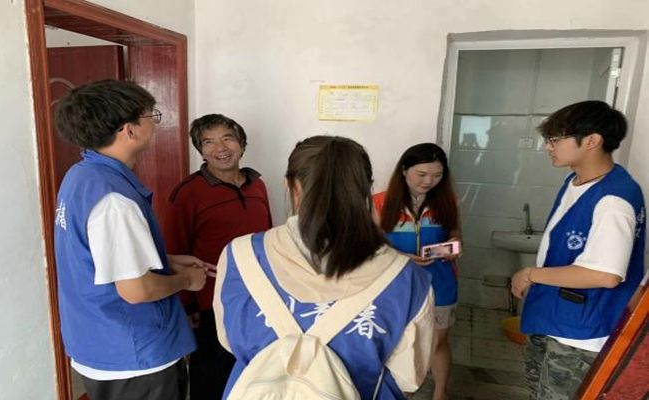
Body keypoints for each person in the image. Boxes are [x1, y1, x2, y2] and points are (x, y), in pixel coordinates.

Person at [213, 135, 434, 399]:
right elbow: (408, 377)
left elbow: (230, 340)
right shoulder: (408, 278)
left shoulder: (240, 255)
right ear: (367, 189)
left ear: (292, 186)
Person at [53, 79, 215, 400]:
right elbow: (136, 290)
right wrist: (187, 280)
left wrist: (165, 261)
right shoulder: (114, 200)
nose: (154, 124)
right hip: (133, 355)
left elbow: (96, 255)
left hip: (96, 338)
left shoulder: (81, 176)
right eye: (150, 116)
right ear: (129, 130)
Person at [511, 100, 645, 400]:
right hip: (556, 316)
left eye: (556, 139)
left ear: (592, 141)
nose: (548, 147)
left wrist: (530, 274)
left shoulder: (613, 200)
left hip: (580, 333)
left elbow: (605, 275)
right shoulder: (577, 182)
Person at [164, 114, 272, 400]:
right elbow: (174, 249)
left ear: (242, 144)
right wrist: (188, 306)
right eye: (208, 142)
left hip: (258, 299)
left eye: (227, 138)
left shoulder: (258, 185)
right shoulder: (188, 193)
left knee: (254, 373)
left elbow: (268, 241)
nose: (220, 148)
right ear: (201, 151)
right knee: (210, 377)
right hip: (211, 303)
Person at [373, 143, 461, 400]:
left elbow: (456, 235)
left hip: (441, 283)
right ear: (404, 170)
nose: (429, 181)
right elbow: (372, 246)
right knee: (399, 343)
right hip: (396, 284)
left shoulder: (448, 201)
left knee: (438, 342)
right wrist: (402, 257)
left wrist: (453, 246)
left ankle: (440, 393)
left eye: (437, 175)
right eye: (421, 174)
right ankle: (400, 391)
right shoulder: (379, 202)